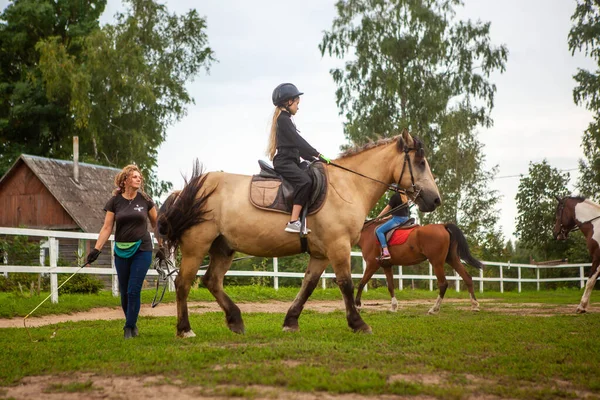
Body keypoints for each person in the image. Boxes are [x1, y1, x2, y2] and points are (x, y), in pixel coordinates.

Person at [86, 165, 158, 339]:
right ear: (125, 180)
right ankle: (132, 324)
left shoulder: (145, 200)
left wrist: (161, 246)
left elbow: (157, 224)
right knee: (124, 291)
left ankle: (128, 327)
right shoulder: (114, 202)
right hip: (121, 250)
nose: (139, 179)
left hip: (142, 249)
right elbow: (107, 227)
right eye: (134, 177)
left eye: (139, 176)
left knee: (134, 290)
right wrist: (96, 249)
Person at [266, 83, 331, 233]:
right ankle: (293, 221)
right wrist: (317, 153)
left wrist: (316, 159)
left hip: (293, 160)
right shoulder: (283, 119)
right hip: (284, 162)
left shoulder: (286, 119)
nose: (298, 107)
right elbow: (298, 141)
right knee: (305, 181)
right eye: (296, 103)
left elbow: (298, 148)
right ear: (288, 102)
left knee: (312, 174)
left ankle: (305, 218)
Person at [375, 189, 410, 260]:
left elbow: (387, 208)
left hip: (398, 220)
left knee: (379, 231)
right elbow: (398, 211)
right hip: (406, 219)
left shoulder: (395, 196)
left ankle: (385, 252)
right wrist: (386, 218)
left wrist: (378, 217)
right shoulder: (405, 196)